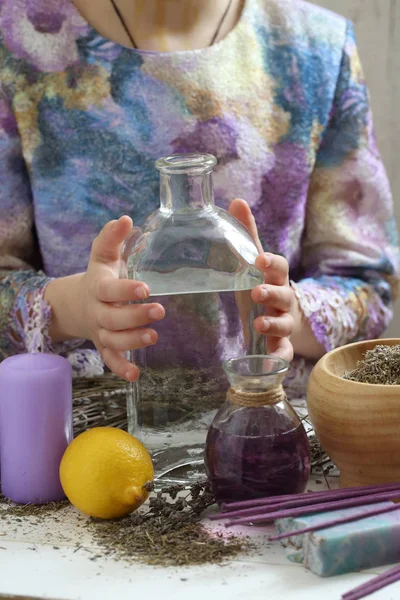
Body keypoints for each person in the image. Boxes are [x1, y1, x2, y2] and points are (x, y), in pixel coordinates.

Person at [0, 0, 398, 397]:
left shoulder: (317, 47)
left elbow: (367, 283)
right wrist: (75, 308)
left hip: (267, 421)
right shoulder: (13, 38)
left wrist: (287, 313)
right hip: (76, 432)